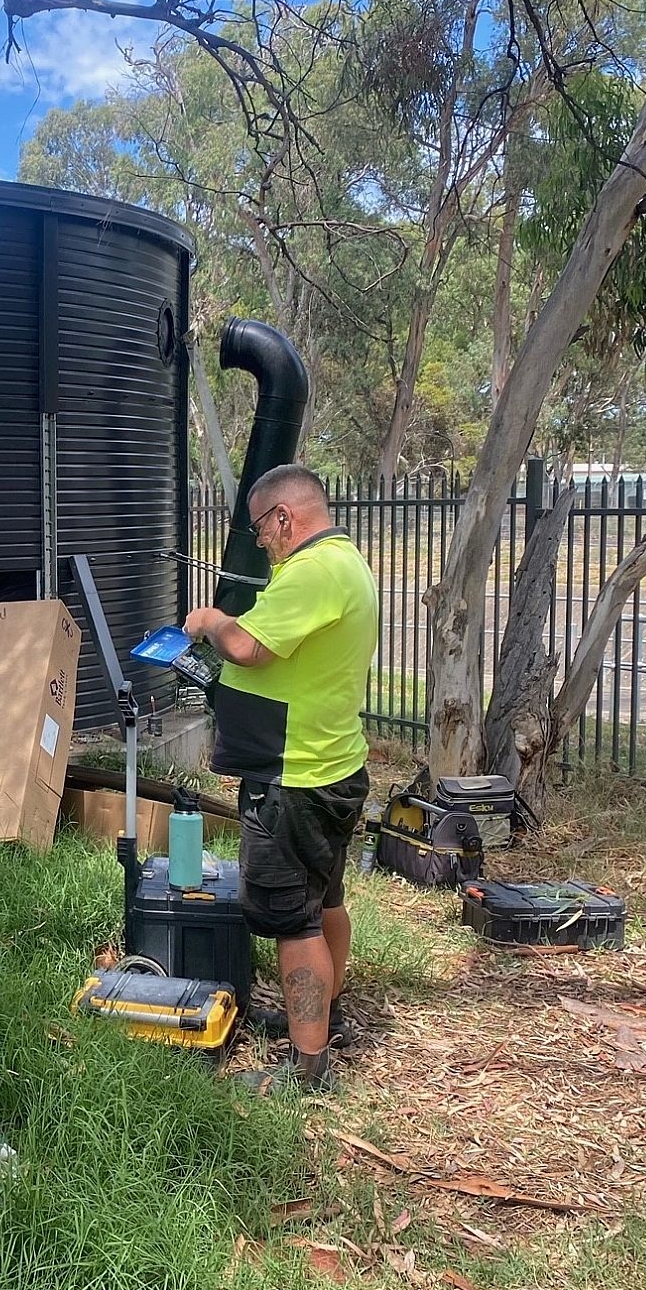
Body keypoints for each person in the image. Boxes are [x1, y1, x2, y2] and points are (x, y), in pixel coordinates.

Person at [183, 464, 378, 1092]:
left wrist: (209, 621)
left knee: (292, 922)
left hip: (293, 779)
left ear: (285, 518)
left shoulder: (314, 572)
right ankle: (323, 1018)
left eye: (261, 527)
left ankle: (306, 1066)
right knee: (325, 903)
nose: (260, 540)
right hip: (331, 765)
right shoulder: (340, 563)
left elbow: (247, 647)